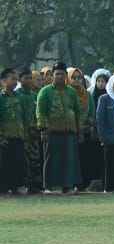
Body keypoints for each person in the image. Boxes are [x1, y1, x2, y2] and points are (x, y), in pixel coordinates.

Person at [36, 63, 83, 193]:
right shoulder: (45, 92)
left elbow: (78, 111)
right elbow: (41, 112)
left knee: (69, 159)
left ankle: (67, 186)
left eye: (62, 74)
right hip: (51, 131)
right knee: (50, 159)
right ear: (52, 76)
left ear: (66, 76)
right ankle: (48, 186)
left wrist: (79, 130)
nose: (59, 76)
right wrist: (43, 129)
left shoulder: (71, 92)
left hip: (69, 131)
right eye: (57, 74)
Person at [0, 68, 28, 194]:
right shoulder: (1, 98)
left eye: (16, 79)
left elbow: (24, 117)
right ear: (3, 81)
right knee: (6, 164)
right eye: (12, 79)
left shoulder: (20, 97)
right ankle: (5, 187)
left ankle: (18, 186)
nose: (15, 82)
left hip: (19, 135)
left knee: (19, 162)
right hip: (5, 137)